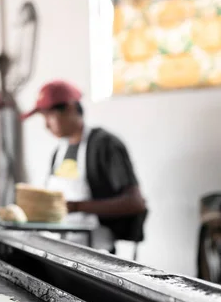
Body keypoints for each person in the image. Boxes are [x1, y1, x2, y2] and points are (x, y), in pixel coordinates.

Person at [22, 80, 148, 253]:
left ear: (70, 108)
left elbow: (135, 203)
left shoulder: (105, 145)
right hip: (59, 248)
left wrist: (76, 207)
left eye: (49, 116)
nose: (46, 125)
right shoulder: (59, 151)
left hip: (95, 252)